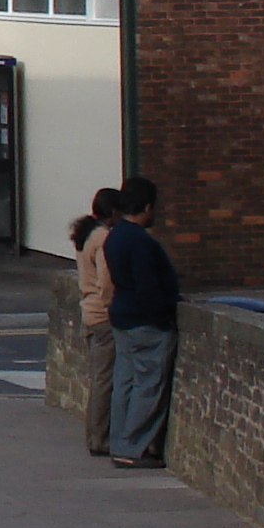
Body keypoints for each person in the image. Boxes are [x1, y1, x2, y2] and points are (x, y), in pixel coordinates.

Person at [105, 178, 179, 469]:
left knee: (125, 382)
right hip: (144, 321)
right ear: (147, 207)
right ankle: (132, 447)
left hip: (122, 316)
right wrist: (163, 319)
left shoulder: (115, 235)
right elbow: (148, 286)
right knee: (149, 384)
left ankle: (119, 442)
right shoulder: (141, 241)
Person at [71, 188, 122, 456]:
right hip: (102, 316)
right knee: (105, 380)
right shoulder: (104, 238)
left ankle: (96, 435)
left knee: (99, 378)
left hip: (88, 312)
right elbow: (106, 282)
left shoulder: (86, 233)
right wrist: (114, 307)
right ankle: (99, 439)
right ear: (114, 212)